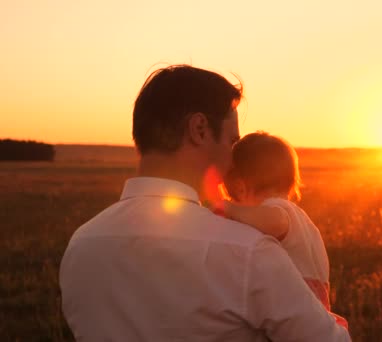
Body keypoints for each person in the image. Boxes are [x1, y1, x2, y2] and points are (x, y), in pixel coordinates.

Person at [59, 64, 351, 341]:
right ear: (199, 129)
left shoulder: (81, 245)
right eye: (232, 141)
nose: (233, 160)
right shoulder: (248, 251)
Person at [221, 132, 347, 330]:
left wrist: (227, 208)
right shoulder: (304, 222)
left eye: (234, 198)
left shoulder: (279, 210)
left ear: (239, 188)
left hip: (297, 319)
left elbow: (276, 222)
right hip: (312, 318)